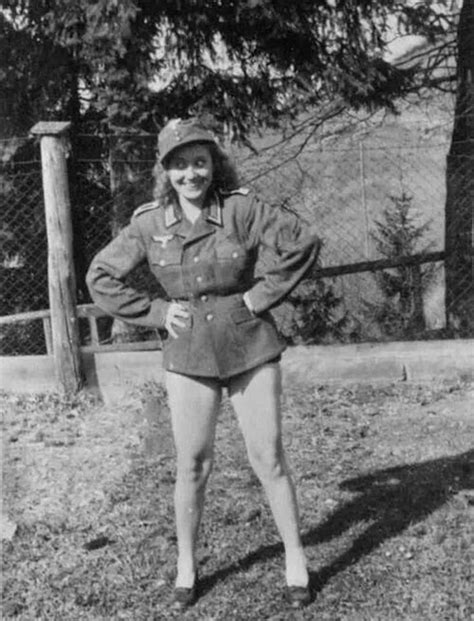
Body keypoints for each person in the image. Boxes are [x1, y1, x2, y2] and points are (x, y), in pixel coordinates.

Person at [86, 117, 321, 610]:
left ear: (214, 164)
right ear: (165, 171)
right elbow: (101, 276)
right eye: (178, 165)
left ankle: (296, 559)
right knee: (192, 463)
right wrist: (153, 312)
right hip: (188, 351)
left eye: (199, 161)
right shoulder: (149, 223)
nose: (190, 174)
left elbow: (302, 241)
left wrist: (260, 296)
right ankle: (187, 567)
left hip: (249, 345)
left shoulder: (241, 209)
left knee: (269, 458)